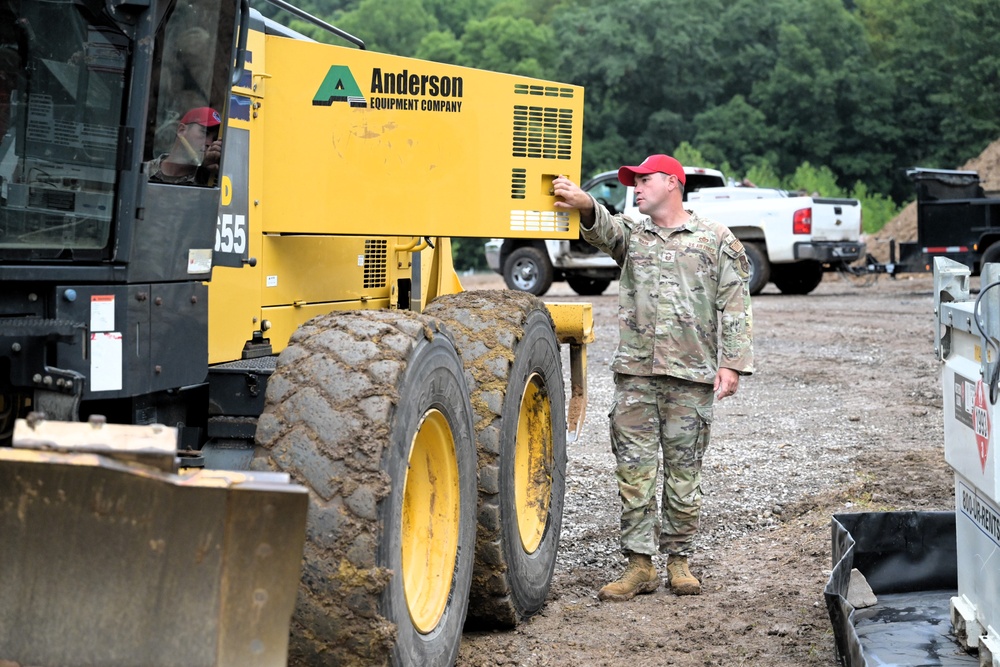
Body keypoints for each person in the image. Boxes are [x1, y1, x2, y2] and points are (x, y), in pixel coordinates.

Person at [552, 154, 754, 600]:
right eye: (634, 182)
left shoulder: (715, 238)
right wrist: (584, 202)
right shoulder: (632, 234)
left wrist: (732, 363)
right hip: (636, 377)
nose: (637, 188)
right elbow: (600, 224)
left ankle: (679, 561)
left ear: (672, 183)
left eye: (645, 180)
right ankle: (639, 566)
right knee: (634, 473)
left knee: (684, 474)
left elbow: (736, 303)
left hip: (691, 376)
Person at [147, 106, 222, 185]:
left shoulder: (208, 180)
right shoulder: (143, 171)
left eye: (214, 139)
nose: (209, 143)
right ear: (181, 130)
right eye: (205, 132)